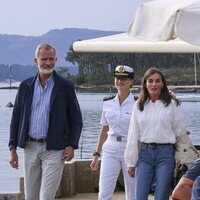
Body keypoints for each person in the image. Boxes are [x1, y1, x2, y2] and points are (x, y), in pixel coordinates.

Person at [8, 43, 83, 200]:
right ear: (36, 60)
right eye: (44, 59)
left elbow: (76, 120)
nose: (48, 63)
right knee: (30, 197)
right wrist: (12, 148)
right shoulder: (25, 86)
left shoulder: (65, 87)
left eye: (51, 59)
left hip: (55, 149)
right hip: (30, 147)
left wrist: (71, 145)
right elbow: (16, 118)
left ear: (56, 60)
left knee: (47, 196)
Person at [124, 67, 187, 200]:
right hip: (145, 155)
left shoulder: (173, 104)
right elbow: (133, 135)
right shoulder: (139, 105)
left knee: (161, 196)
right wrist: (131, 162)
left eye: (157, 81)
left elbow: (180, 133)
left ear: (163, 83)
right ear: (145, 84)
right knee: (139, 196)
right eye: (150, 81)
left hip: (166, 155)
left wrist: (180, 158)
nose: (154, 84)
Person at [90, 65, 136, 200]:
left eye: (124, 78)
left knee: (132, 193)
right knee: (104, 192)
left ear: (131, 81)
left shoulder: (138, 103)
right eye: (117, 78)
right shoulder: (108, 102)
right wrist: (97, 154)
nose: (120, 81)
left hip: (130, 148)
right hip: (110, 148)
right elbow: (104, 129)